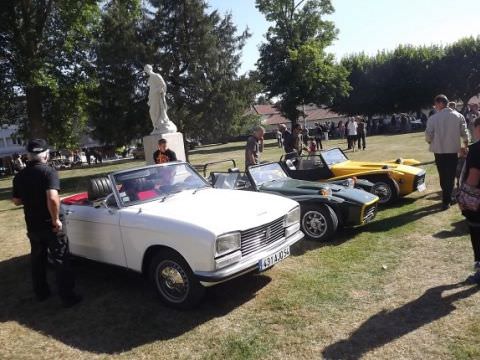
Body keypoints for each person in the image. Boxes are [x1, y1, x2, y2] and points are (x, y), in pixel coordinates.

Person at [12, 139, 81, 307]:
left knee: (37, 260)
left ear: (28, 156)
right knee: (61, 259)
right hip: (50, 223)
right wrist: (55, 219)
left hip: (32, 224)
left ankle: (41, 293)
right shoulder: (48, 172)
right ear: (46, 154)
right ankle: (68, 297)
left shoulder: (19, 176)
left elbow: (16, 200)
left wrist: (30, 198)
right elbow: (52, 197)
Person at [426, 94, 470, 210]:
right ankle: (447, 198)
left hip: (439, 151)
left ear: (440, 103)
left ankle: (446, 200)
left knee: (443, 174)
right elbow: (465, 133)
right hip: (452, 150)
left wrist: (430, 142)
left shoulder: (433, 118)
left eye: (436, 104)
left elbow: (428, 135)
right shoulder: (458, 116)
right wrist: (466, 145)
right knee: (449, 175)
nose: (435, 106)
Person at [461, 117, 480, 283]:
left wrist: (464, 195)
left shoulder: (476, 149)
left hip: (477, 201)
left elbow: (473, 177)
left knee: (477, 231)